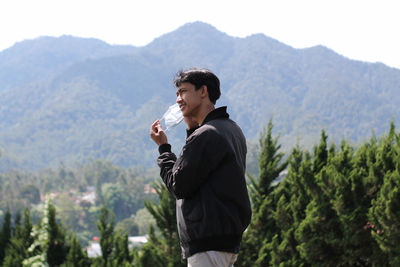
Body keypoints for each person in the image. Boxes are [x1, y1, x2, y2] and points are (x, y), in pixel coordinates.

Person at [150, 68, 252, 267]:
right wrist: (191, 129)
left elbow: (179, 185)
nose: (179, 99)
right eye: (177, 94)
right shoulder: (229, 128)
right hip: (224, 240)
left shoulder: (206, 134)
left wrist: (163, 149)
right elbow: (200, 170)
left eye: (183, 92)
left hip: (208, 242)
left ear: (203, 92)